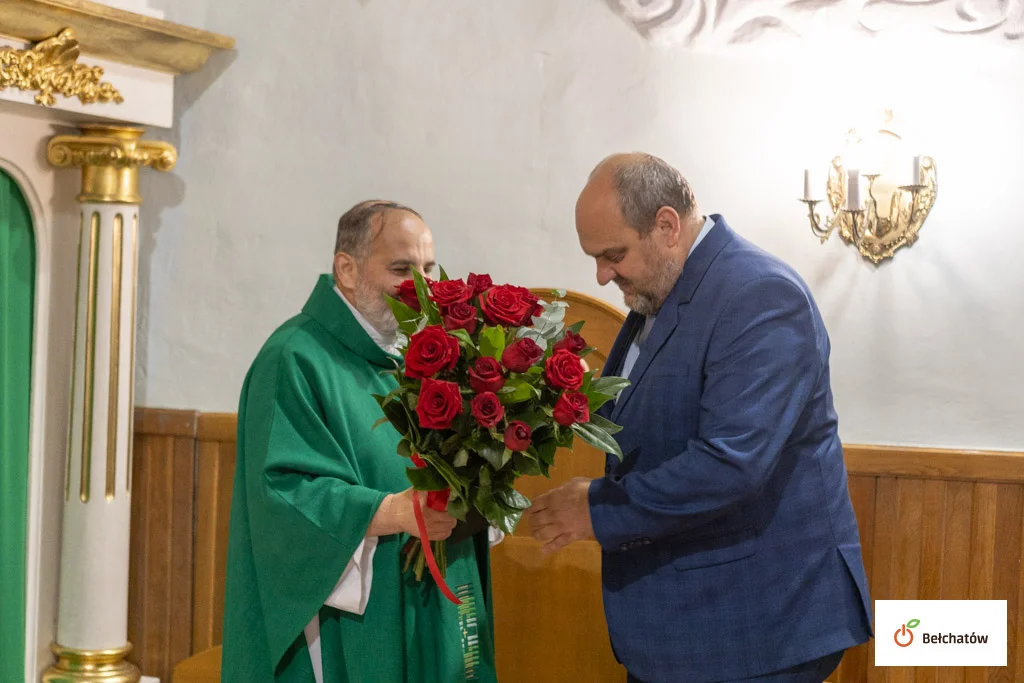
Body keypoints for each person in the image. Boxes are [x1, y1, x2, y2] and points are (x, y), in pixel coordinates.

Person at [526, 153, 873, 683]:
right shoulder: (662, 292)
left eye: (612, 254)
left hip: (755, 630)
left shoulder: (759, 294)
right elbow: (647, 415)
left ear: (666, 226)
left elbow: (730, 464)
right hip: (693, 627)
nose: (600, 276)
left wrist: (593, 510)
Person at [221, 200, 498, 683]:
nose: (423, 286)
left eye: (429, 268)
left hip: (430, 592)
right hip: (349, 613)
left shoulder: (427, 353)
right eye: (401, 268)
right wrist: (391, 512)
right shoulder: (293, 358)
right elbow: (284, 495)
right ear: (346, 269)